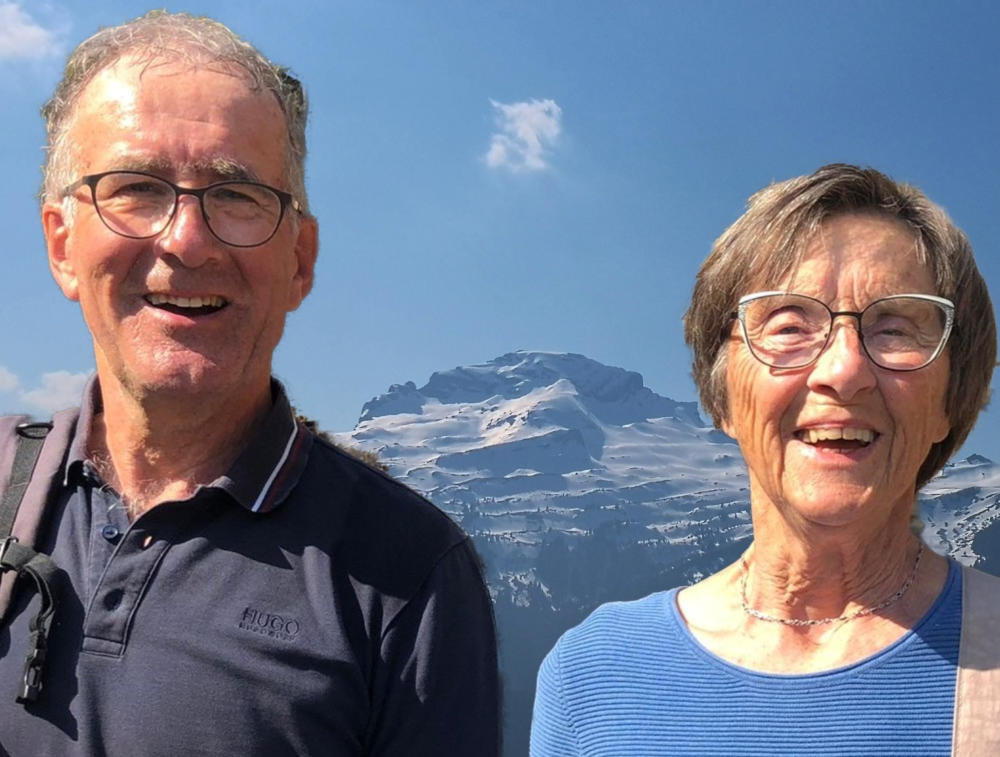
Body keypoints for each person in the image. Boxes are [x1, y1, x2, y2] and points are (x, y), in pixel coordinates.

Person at [0, 11, 499, 756]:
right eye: (135, 188)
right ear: (62, 245)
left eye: (236, 196)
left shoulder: (410, 573)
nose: (186, 240)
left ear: (301, 260)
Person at [530, 164, 1000, 755]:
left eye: (896, 330)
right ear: (724, 394)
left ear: (949, 401)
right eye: (789, 325)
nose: (843, 371)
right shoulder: (593, 674)